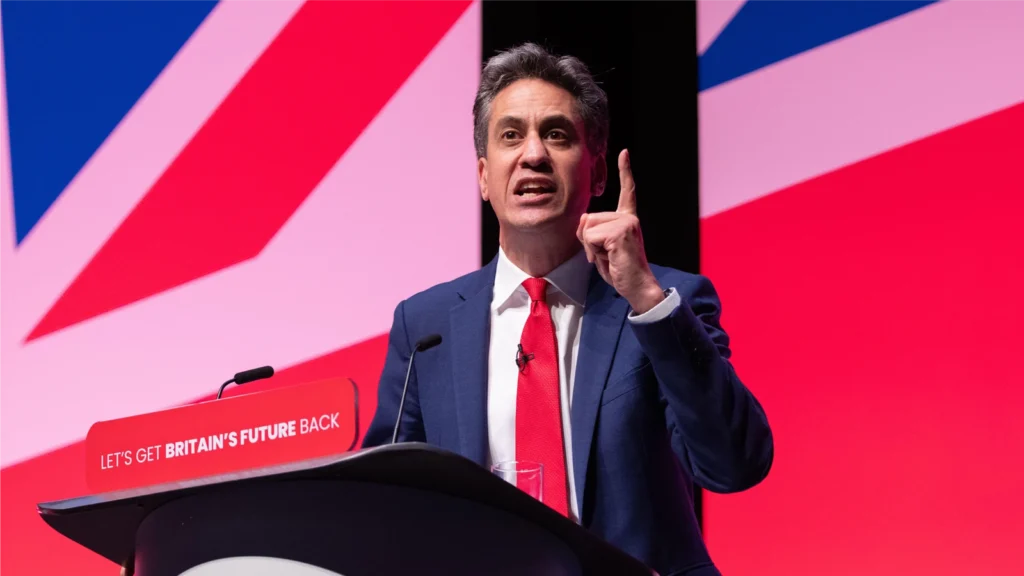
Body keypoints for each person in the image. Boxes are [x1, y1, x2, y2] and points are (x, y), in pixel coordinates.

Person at [363, 43, 773, 576]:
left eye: (556, 134)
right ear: (484, 176)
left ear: (598, 172)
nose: (533, 154)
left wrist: (646, 300)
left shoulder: (664, 303)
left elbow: (735, 464)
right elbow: (379, 505)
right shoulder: (426, 327)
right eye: (511, 136)